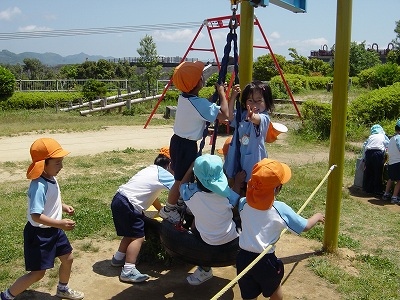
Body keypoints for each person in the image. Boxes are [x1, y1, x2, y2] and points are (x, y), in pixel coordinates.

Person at [1, 138, 84, 300]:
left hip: (54, 231)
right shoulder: (39, 185)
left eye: (61, 162)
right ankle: (6, 296)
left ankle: (62, 288)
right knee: (38, 273)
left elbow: (50, 201)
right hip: (39, 234)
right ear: (43, 164)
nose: (61, 166)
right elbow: (36, 216)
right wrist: (60, 223)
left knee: (68, 258)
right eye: (58, 163)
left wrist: (63, 206)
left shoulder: (50, 177)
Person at [236, 158, 325, 300]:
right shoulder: (280, 209)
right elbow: (305, 226)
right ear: (277, 189)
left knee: (248, 294)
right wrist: (317, 217)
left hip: (243, 258)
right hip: (265, 260)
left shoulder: (242, 203)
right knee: (274, 289)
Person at [159, 61, 230, 223]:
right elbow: (225, 115)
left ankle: (179, 202)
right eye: (201, 76)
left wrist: (216, 95)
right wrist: (223, 93)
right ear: (198, 82)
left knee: (185, 175)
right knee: (181, 179)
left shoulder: (185, 98)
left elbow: (204, 106)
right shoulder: (198, 103)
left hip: (177, 142)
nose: (203, 77)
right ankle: (168, 209)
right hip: (186, 145)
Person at [110, 147, 174, 283]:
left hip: (119, 199)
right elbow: (178, 191)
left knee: (130, 233)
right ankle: (128, 270)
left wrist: (159, 208)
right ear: (170, 164)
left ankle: (118, 258)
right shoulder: (165, 174)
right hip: (130, 205)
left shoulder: (151, 169)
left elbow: (151, 195)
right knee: (138, 237)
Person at [179, 154, 244, 285]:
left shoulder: (189, 194)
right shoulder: (225, 196)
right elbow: (236, 196)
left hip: (205, 239)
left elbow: (182, 184)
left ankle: (204, 269)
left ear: (196, 175)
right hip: (231, 238)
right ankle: (243, 261)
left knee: (195, 225)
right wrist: (237, 182)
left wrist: (191, 167)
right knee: (241, 219)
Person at [224, 80, 275, 194]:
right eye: (250, 101)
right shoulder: (242, 114)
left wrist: (252, 116)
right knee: (235, 179)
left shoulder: (264, 117)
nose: (254, 105)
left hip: (253, 157)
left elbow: (257, 119)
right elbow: (229, 115)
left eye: (258, 101)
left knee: (251, 181)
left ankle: (250, 200)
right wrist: (233, 97)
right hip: (238, 152)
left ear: (266, 102)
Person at [361, 124, 389, 195]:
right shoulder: (383, 136)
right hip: (378, 153)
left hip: (368, 153)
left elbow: (365, 145)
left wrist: (364, 158)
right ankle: (377, 190)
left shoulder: (371, 136)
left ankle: (368, 189)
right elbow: (388, 144)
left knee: (369, 171)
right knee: (378, 171)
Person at [382, 119, 400, 204]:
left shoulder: (392, 138)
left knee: (391, 179)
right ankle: (394, 197)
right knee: (399, 181)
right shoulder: (399, 138)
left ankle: (386, 194)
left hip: (391, 162)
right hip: (398, 163)